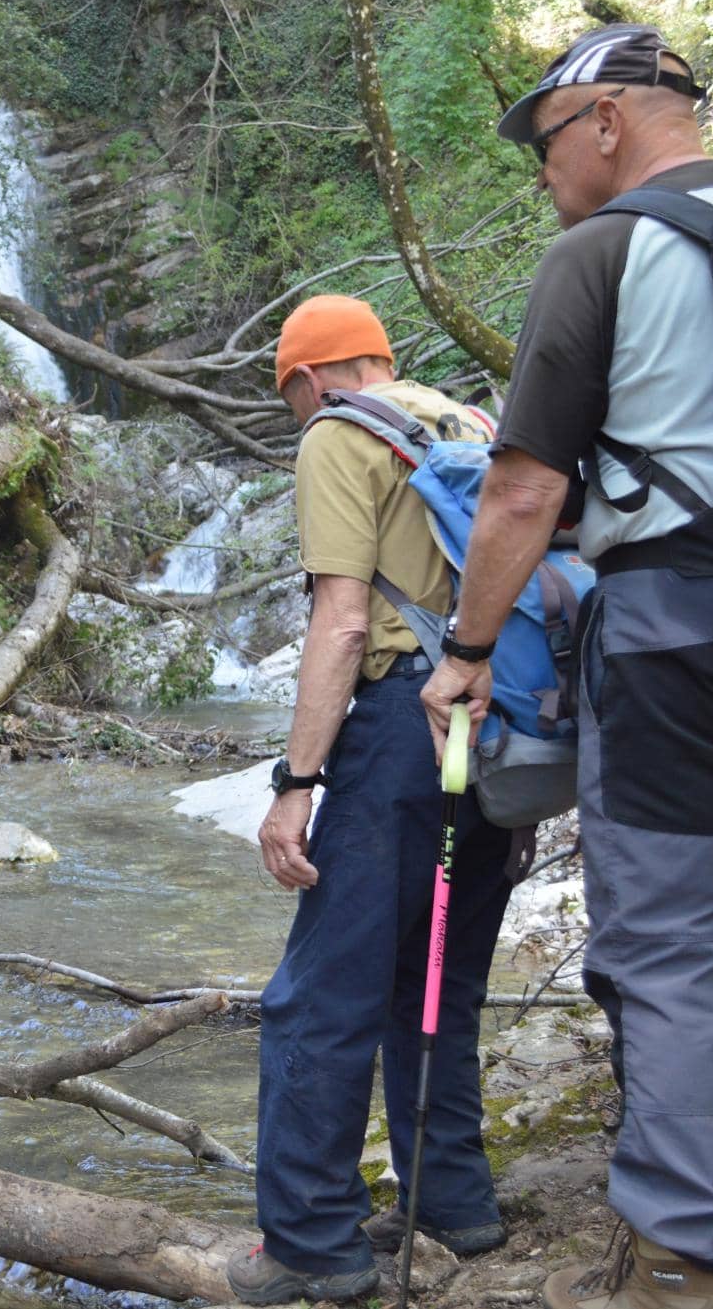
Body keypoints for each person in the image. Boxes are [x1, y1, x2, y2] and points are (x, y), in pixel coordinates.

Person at [420, 25, 713, 1309]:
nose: (542, 170)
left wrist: (466, 652)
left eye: (545, 141)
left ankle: (678, 1259)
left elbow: (520, 490)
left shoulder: (602, 251)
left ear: (604, 120)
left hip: (675, 639)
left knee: (661, 942)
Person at [231, 296, 513, 1305]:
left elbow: (344, 624)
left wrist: (296, 783)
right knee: (438, 978)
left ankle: (312, 1242)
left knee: (320, 991)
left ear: (310, 380)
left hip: (405, 724)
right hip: (500, 720)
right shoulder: (470, 419)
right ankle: (453, 1200)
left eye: (291, 400)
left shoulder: (338, 433)